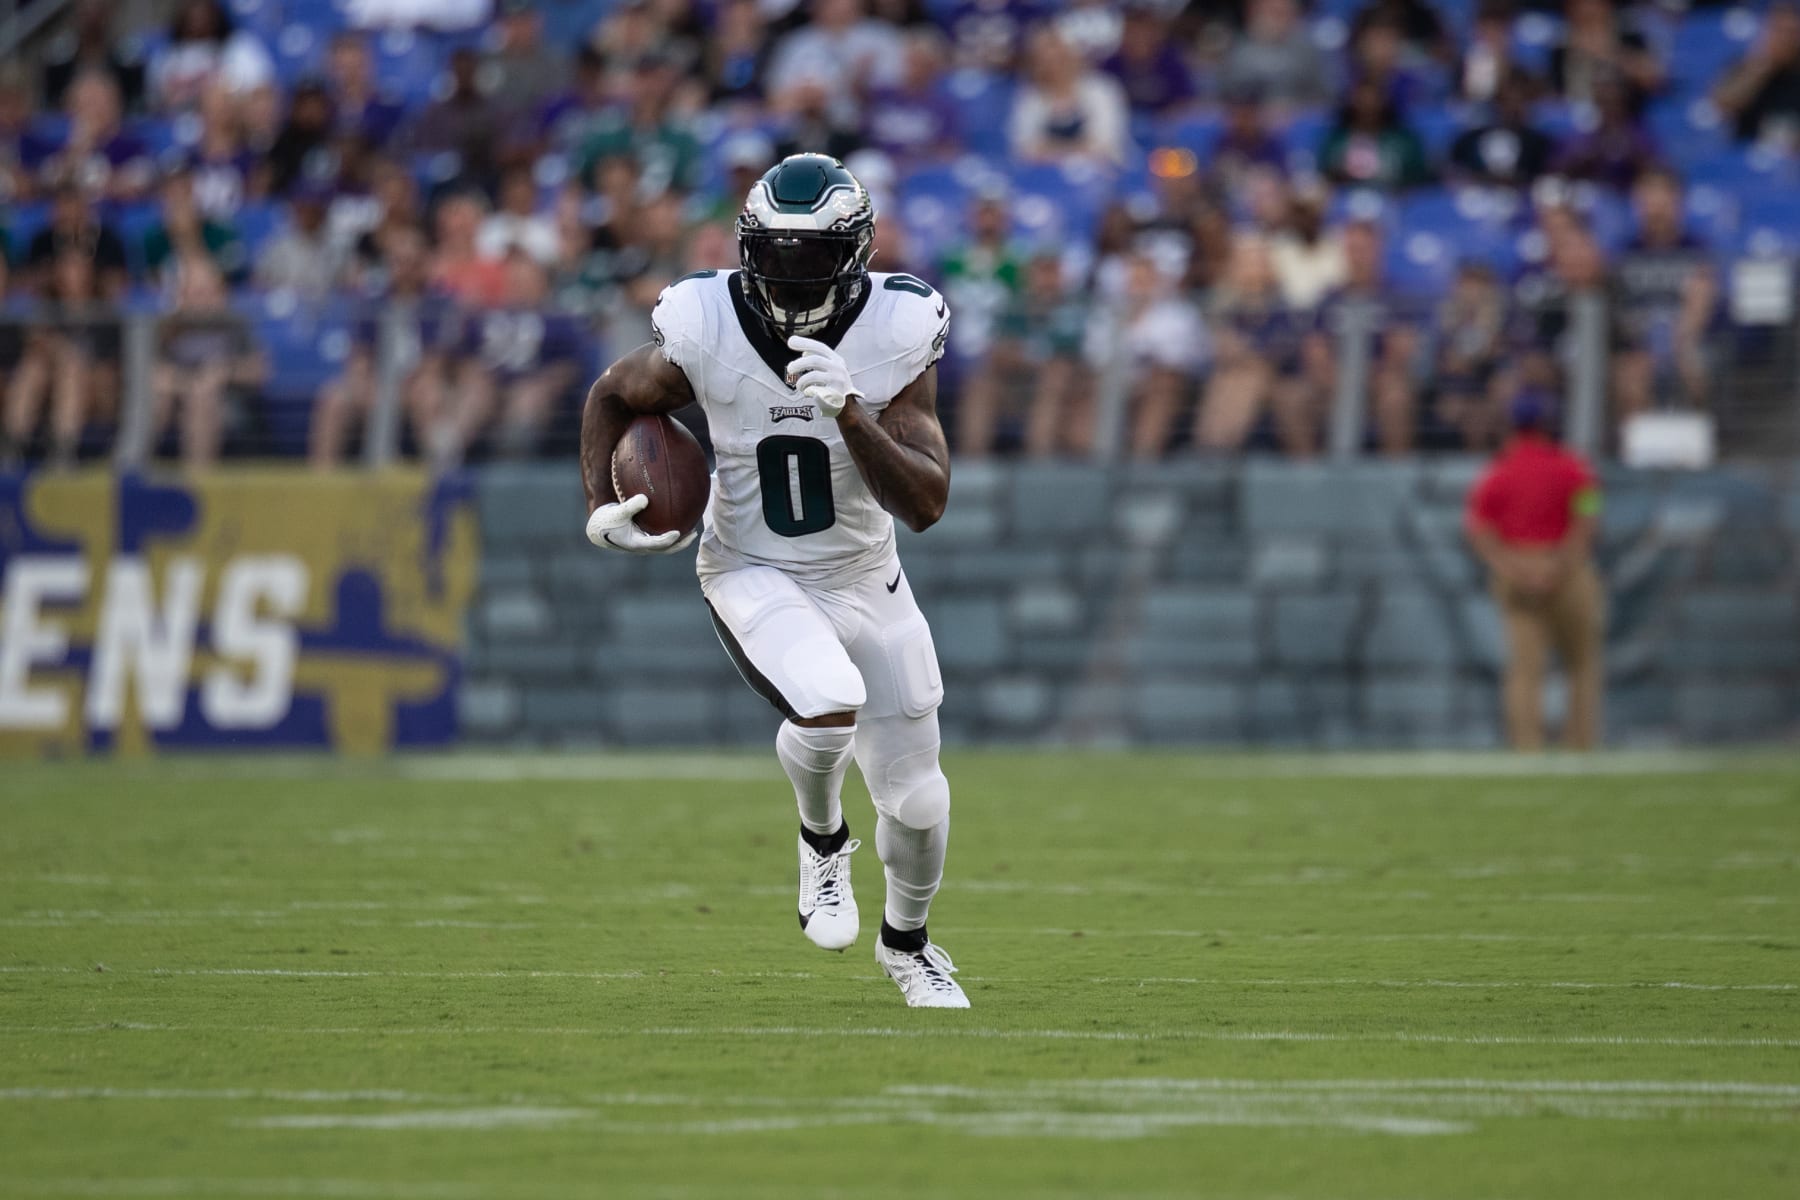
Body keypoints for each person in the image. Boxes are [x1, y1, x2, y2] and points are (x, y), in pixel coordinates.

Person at [579, 154, 967, 1008]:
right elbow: (613, 394)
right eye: (775, 255)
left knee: (920, 801)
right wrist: (603, 505)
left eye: (809, 256)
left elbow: (927, 502)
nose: (789, 277)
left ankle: (908, 947)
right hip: (751, 566)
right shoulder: (704, 320)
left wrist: (851, 414)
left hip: (865, 573)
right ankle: (822, 841)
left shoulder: (898, 328)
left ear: (855, 253)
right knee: (828, 699)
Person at [1465, 394, 1605, 751]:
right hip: (1566, 567)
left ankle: (1527, 748)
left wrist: (1513, 569)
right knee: (1582, 665)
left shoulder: (1497, 472)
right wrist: (1563, 564)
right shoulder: (1572, 466)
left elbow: (1478, 530)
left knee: (1524, 670)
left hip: (1517, 567)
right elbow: (1588, 514)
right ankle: (1580, 745)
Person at [154, 257, 265, 469]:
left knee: (202, 397)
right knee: (159, 392)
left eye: (208, 292)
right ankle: (139, 473)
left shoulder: (234, 324)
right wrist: (186, 382)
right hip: (177, 399)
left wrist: (224, 372)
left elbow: (259, 370)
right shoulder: (170, 329)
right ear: (182, 296)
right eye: (196, 293)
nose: (202, 300)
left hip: (224, 403)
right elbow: (157, 371)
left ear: (221, 293)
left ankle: (197, 480)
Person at [1712, 1, 1800, 147]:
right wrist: (1763, 66)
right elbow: (1722, 106)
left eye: (1792, 33)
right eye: (1779, 31)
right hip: (1744, 153)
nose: (1786, 40)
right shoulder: (1746, 65)